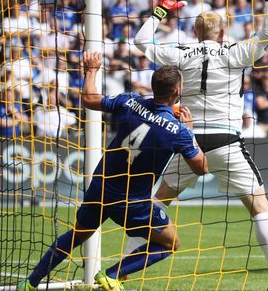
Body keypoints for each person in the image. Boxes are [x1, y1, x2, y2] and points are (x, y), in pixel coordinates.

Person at [130, 0, 268, 291]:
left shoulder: (181, 55)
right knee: (260, 208)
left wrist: (161, 11)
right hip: (226, 143)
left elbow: (140, 41)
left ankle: (121, 270)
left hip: (188, 143)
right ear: (222, 33)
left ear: (195, 32)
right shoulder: (235, 54)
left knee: (156, 204)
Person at [19, 52, 208, 291]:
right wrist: (190, 131)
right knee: (171, 243)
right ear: (177, 92)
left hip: (101, 187)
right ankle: (111, 274)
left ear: (152, 85)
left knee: (77, 235)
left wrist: (92, 69)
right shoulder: (178, 132)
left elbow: (89, 99)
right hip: (132, 201)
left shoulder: (129, 101)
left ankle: (30, 282)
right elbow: (202, 168)